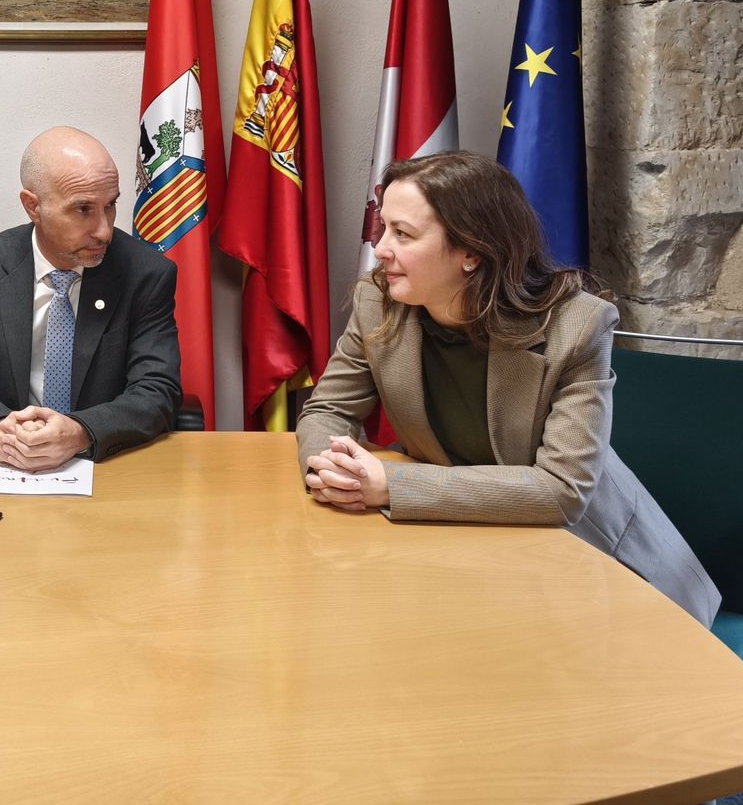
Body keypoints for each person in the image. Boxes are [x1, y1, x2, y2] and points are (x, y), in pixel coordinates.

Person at [298, 151, 719, 626]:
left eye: (404, 234)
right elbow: (328, 408)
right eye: (384, 228)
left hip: (598, 569)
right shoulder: (379, 301)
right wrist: (332, 471)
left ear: (471, 252)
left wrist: (390, 485)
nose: (380, 249)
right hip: (463, 553)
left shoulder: (578, 325)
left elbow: (561, 490)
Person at [0, 126, 181, 471]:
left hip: (106, 468)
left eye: (110, 206)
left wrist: (80, 431)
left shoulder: (145, 274)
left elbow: (157, 392)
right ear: (32, 206)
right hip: (7, 469)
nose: (105, 230)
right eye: (83, 209)